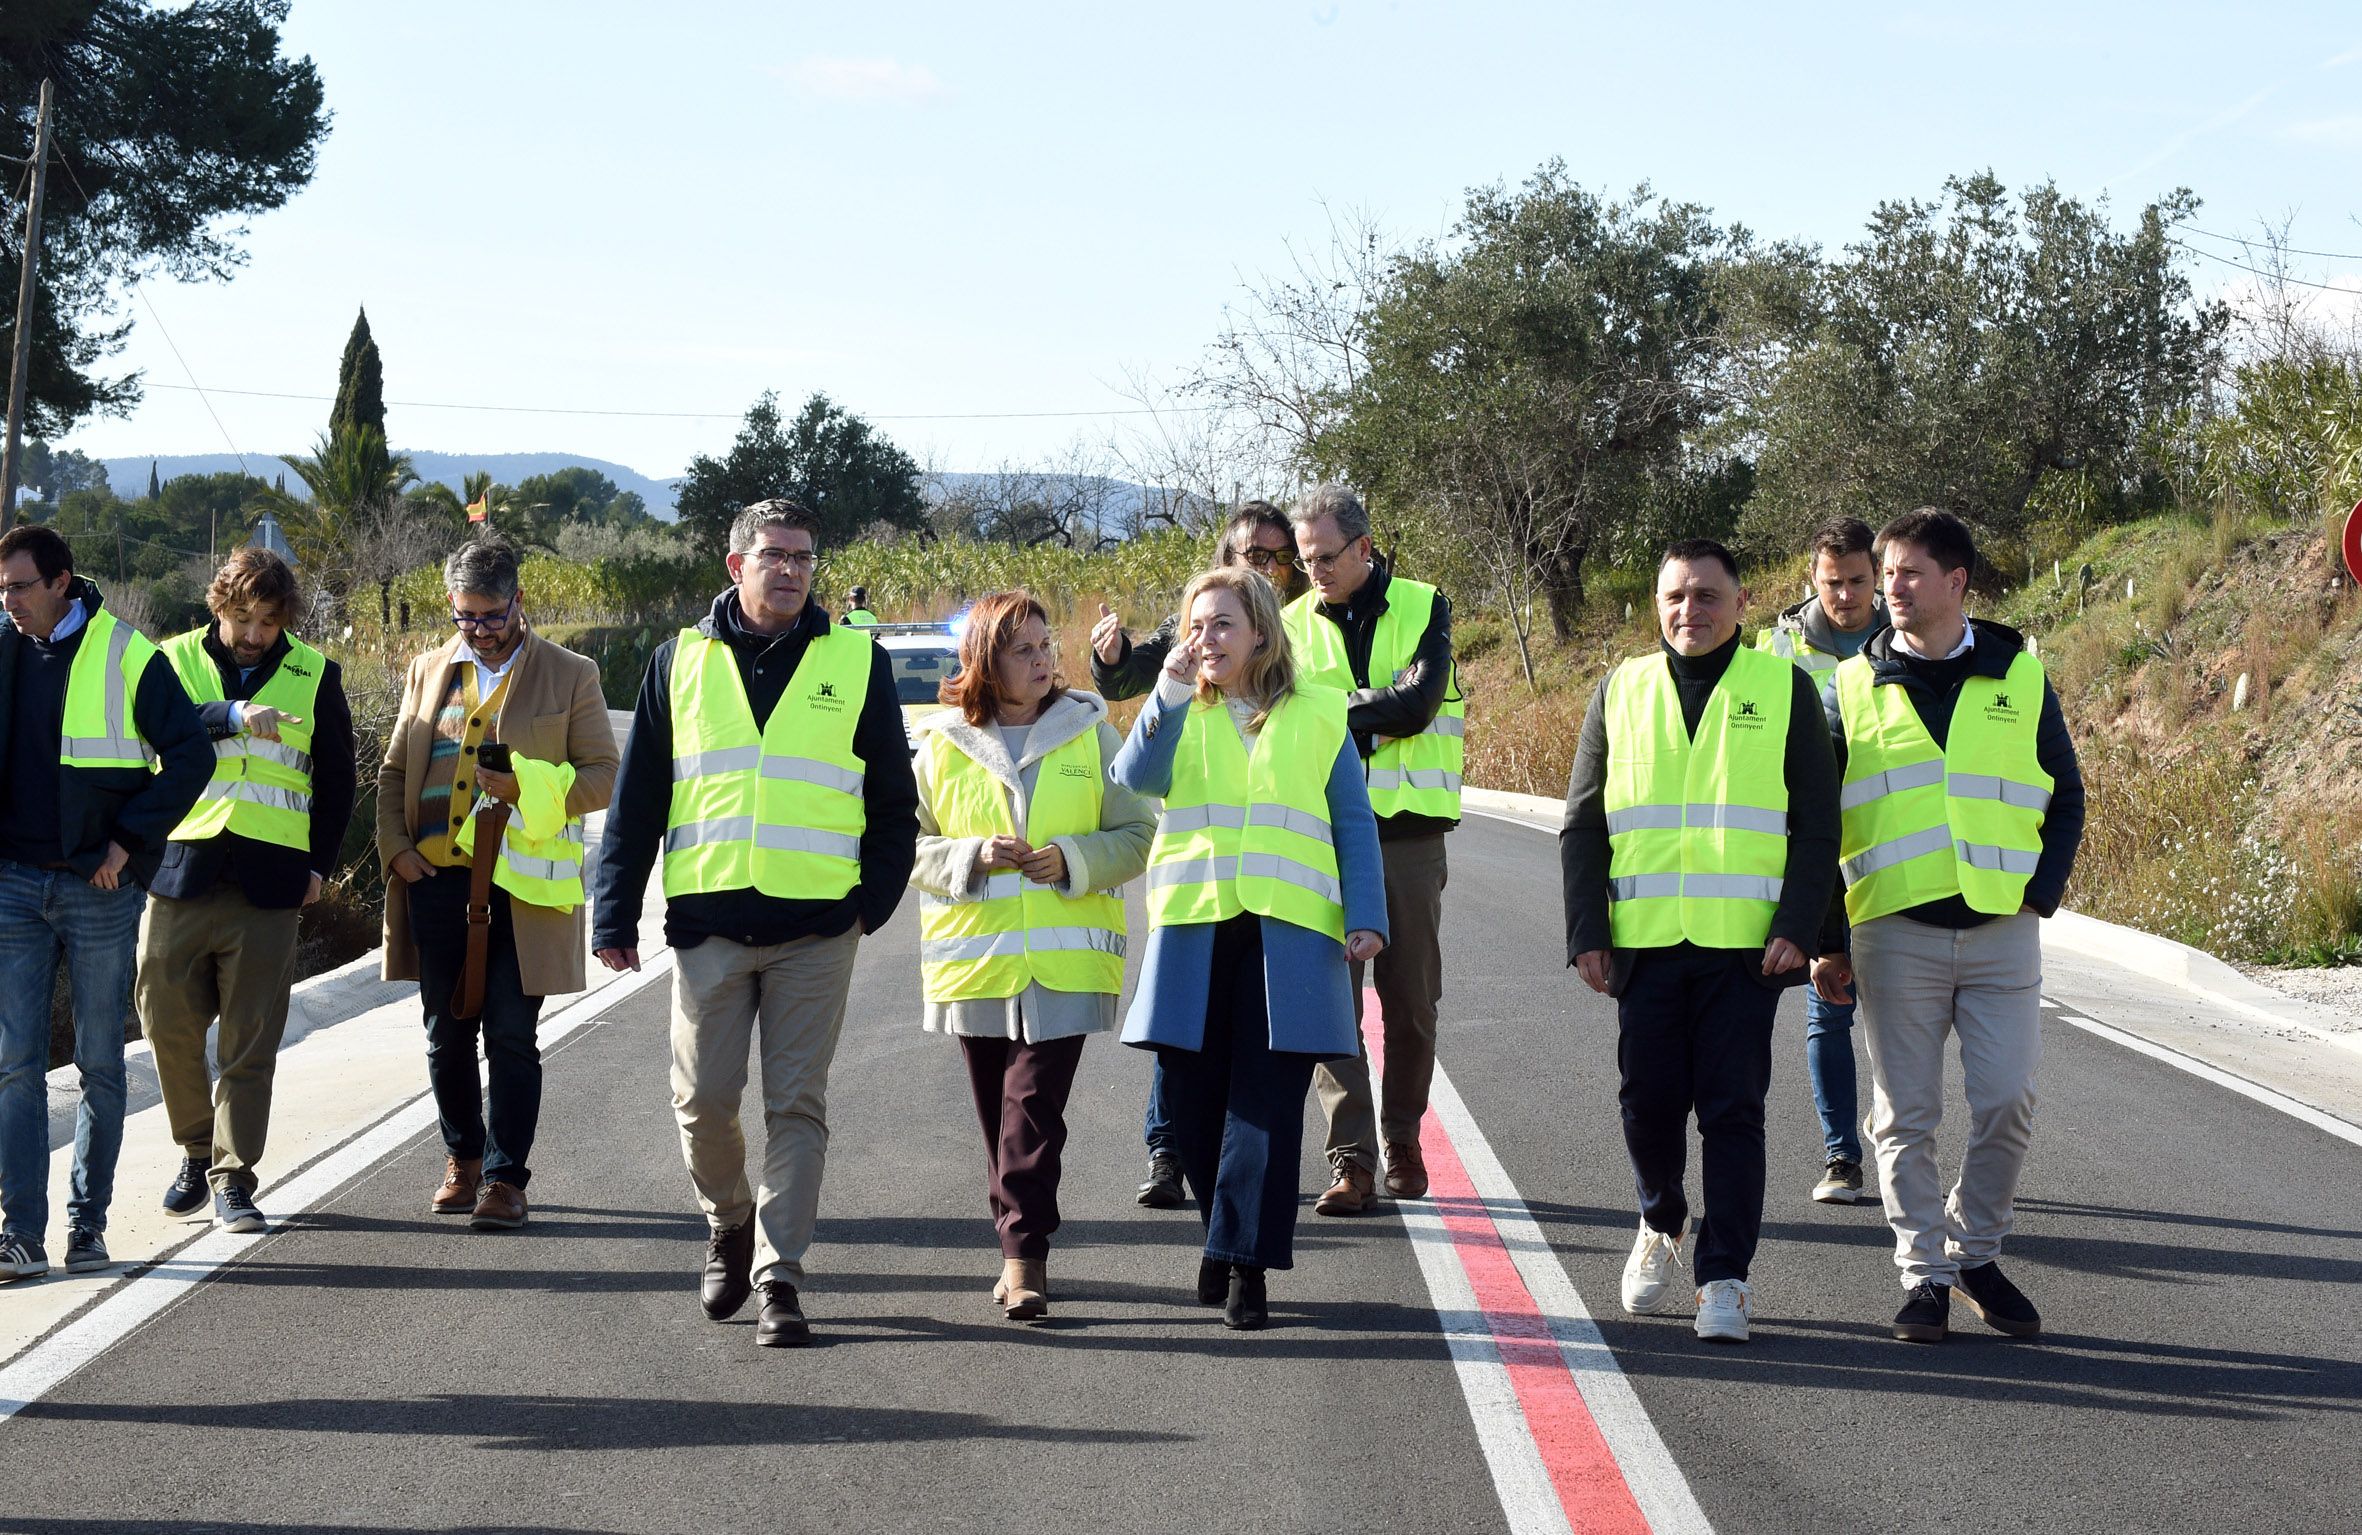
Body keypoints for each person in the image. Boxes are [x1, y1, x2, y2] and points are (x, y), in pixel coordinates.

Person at [589, 499, 918, 1349]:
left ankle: (780, 1274)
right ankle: (729, 1219)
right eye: (774, 554)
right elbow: (638, 802)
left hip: (818, 928)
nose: (791, 569)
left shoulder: (857, 661)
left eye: (804, 556)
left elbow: (892, 801)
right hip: (710, 927)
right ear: (735, 565)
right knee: (701, 1101)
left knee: (798, 1106)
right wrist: (614, 909)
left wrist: (870, 901)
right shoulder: (678, 662)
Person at [1812, 508, 2083, 1344]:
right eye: (1885, 571)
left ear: (1958, 581)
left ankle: (1976, 1250)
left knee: (2008, 1101)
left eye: (1908, 572)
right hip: (1894, 933)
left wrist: (2040, 891)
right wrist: (1828, 935)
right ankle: (1924, 1271)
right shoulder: (1847, 686)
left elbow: (2065, 793)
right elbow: (1818, 823)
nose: (1889, 586)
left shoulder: (2021, 675)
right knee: (1905, 1115)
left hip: (2005, 929)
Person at [1560, 538, 1840, 1344]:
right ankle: (1661, 1219)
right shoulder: (1620, 689)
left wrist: (1799, 926)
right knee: (1646, 1105)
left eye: (1708, 595)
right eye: (1676, 596)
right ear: (1657, 602)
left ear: (1742, 603)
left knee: (1732, 1112)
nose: (1691, 610)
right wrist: (1587, 928)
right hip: (1644, 944)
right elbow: (1583, 823)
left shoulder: (1783, 689)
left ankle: (1724, 1276)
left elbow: (1818, 826)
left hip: (1744, 950)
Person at [1113, 566, 1387, 1330]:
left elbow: (1353, 823)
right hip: (1196, 928)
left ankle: (1249, 1266)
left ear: (1261, 631)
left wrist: (1366, 913)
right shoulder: (1176, 710)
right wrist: (1162, 693)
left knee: (1264, 1109)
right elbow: (1134, 778)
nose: (1206, 638)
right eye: (1195, 625)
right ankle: (1223, 1234)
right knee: (1195, 1104)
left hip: (1290, 933)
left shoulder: (1319, 713)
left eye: (1223, 623)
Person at [908, 591, 1154, 1320]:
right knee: (1000, 1120)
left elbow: (1137, 832)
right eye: (1025, 649)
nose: (1044, 659)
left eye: (1048, 646)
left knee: (1032, 1109)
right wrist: (971, 856)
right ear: (986, 659)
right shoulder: (941, 742)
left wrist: (1073, 857)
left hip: (1067, 963)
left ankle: (1024, 1258)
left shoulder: (1092, 731)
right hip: (974, 965)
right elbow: (903, 846)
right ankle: (1015, 1242)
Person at [378, 536, 616, 1233]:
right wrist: (396, 850)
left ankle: (508, 1178)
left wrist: (527, 787)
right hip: (436, 883)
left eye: (490, 615)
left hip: (526, 893)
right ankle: (464, 1160)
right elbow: (395, 773)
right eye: (465, 617)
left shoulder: (571, 673)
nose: (478, 629)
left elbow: (602, 774)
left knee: (511, 1035)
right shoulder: (427, 670)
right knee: (444, 1035)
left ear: (519, 601)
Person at [0, 525, 210, 1283]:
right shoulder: (2, 644)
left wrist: (128, 845)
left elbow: (191, 754)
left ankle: (86, 1227)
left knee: (99, 1064)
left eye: (20, 585)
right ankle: (19, 1235)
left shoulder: (127, 652)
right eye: (1, 587)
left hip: (98, 889)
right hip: (14, 885)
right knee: (15, 1065)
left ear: (60, 580)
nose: (8, 600)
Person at [1089, 500, 1307, 1210]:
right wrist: (1116, 658)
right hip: (1198, 891)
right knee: (1181, 1033)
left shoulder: (1307, 627)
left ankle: (1346, 1160)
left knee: (1272, 1059)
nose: (1263, 565)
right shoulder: (1205, 625)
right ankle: (1168, 1149)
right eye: (1250, 552)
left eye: (1277, 555)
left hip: (1285, 888)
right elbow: (1139, 689)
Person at [138, 549, 356, 1235]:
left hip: (271, 879)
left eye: (267, 620)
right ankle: (197, 1144)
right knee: (161, 1011)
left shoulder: (316, 673)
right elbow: (144, 736)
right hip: (181, 866)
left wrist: (319, 866)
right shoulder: (170, 661)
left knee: (249, 1038)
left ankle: (233, 1178)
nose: (254, 632)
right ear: (218, 605)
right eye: (242, 617)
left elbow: (339, 779)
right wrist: (230, 713)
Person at [1282, 484, 1462, 1216]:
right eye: (1305, 559)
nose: (1314, 570)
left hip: (1410, 834)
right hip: (1322, 837)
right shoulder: (1288, 623)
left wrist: (1335, 711)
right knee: (1334, 1007)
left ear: (1364, 547)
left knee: (1412, 1005)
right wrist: (1366, 707)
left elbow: (1418, 704)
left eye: (1327, 556)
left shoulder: (1425, 604)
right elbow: (1283, 711)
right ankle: (1351, 1160)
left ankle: (1403, 1136)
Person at [1755, 515, 1888, 1206]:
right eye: (1832, 582)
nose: (1845, 595)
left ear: (1878, 574)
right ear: (1814, 576)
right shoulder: (1777, 652)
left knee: (1898, 1014)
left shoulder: (1909, 638)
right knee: (1826, 1007)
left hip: (1892, 846)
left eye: (1858, 581)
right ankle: (1842, 1154)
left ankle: (1892, 1124)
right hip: (1814, 854)